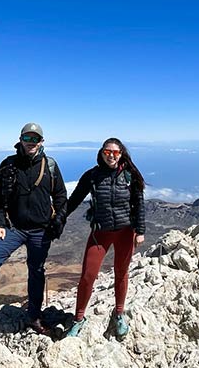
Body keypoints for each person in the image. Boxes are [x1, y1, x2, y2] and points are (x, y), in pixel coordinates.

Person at [0, 122, 67, 338]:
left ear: (41, 142)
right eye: (27, 138)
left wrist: (58, 220)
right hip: (13, 228)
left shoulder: (49, 165)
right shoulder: (8, 165)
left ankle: (34, 315)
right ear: (20, 139)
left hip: (41, 230)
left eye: (35, 139)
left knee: (37, 270)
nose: (30, 142)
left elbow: (60, 196)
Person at [63, 138, 146, 339]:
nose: (111, 155)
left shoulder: (130, 175)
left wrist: (140, 230)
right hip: (100, 232)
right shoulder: (92, 176)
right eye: (107, 152)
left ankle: (119, 314)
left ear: (121, 154)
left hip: (126, 232)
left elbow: (139, 204)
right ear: (101, 153)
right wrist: (58, 217)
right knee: (87, 276)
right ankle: (79, 318)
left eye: (115, 152)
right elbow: (74, 200)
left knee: (121, 273)